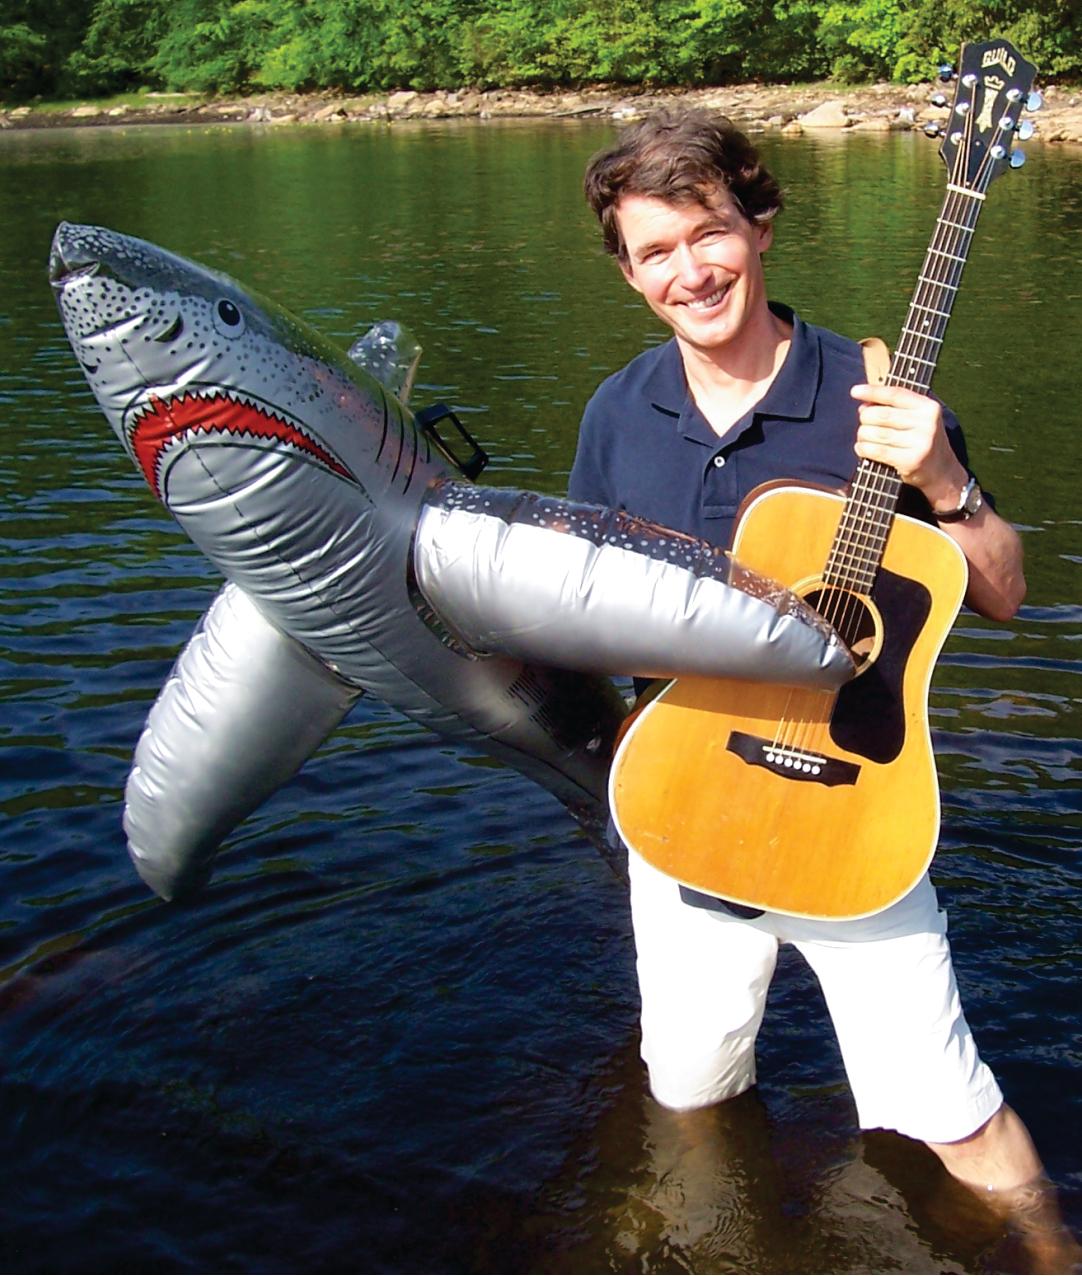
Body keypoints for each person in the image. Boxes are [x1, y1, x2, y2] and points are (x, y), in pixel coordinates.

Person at [568, 108, 1073, 1255]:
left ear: (759, 225)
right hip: (685, 807)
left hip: (855, 805)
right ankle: (713, 1240)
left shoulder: (873, 396)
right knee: (688, 1087)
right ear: (628, 272)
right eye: (655, 250)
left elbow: (1001, 590)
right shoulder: (618, 412)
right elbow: (581, 597)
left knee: (950, 1108)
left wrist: (942, 479)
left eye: (708, 232)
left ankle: (1054, 1254)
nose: (690, 271)